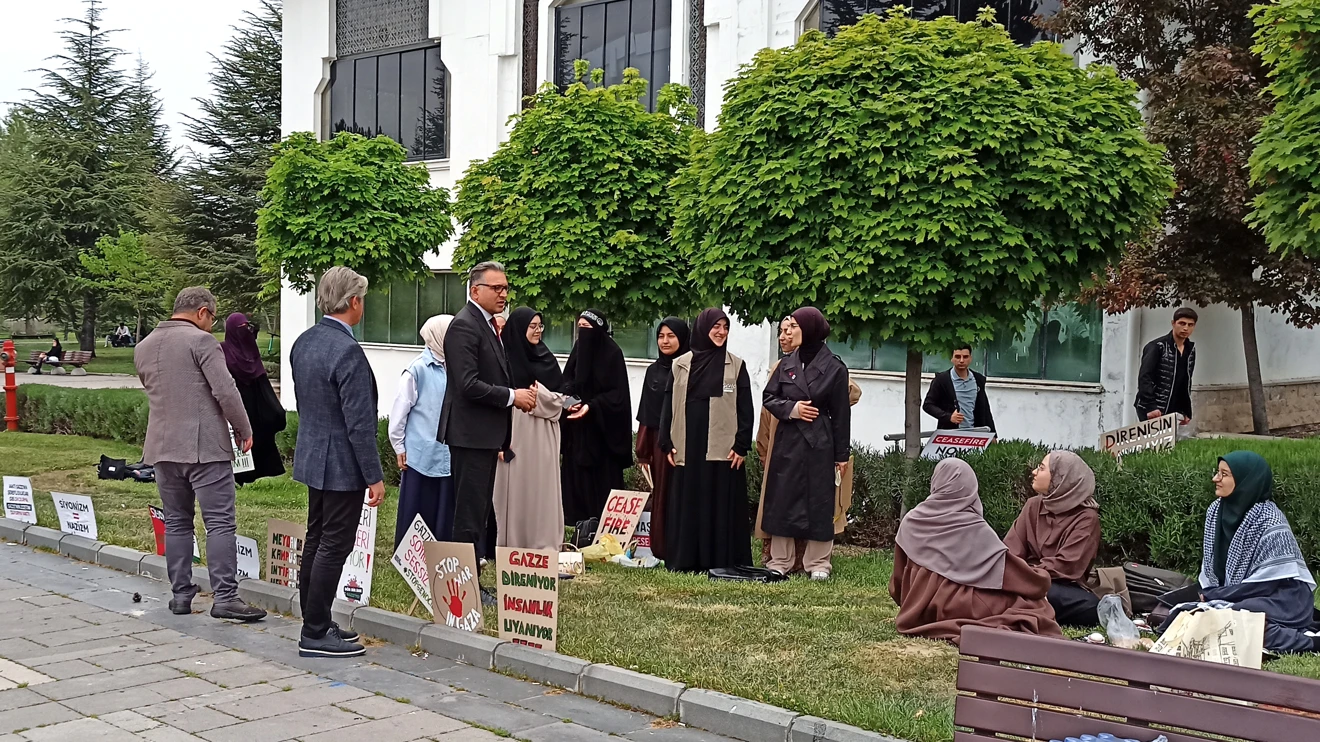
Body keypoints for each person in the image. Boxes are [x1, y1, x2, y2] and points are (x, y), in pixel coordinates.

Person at [135, 287, 266, 623]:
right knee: (219, 522)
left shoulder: (144, 346)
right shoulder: (201, 342)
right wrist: (244, 428)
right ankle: (225, 596)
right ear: (203, 311)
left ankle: (180, 594)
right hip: (204, 447)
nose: (213, 325)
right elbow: (225, 389)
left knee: (177, 521)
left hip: (162, 448)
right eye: (213, 318)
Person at [289, 267, 384, 658]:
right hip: (341, 461)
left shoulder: (304, 341)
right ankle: (314, 631)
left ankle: (317, 617)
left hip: (313, 453)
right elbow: (359, 424)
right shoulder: (347, 351)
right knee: (334, 543)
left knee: (317, 539)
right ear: (354, 302)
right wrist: (374, 476)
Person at [890, 458, 1063, 645]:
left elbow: (897, 583)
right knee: (1033, 607)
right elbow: (1010, 574)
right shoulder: (973, 528)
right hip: (959, 606)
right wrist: (1040, 580)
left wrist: (914, 601)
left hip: (918, 609)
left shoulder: (912, 521)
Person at [1160, 451, 1318, 653]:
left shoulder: (1270, 520)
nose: (1215, 479)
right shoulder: (1215, 511)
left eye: (1224, 474)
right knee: (1203, 617)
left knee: (1239, 621)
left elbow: (1267, 584)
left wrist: (1215, 595)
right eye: (1217, 472)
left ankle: (1311, 643)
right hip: (1240, 595)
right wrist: (1214, 594)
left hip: (1283, 598)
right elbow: (1212, 569)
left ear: (1246, 481)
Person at [438, 262, 537, 578]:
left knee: (478, 511)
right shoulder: (465, 325)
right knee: (469, 513)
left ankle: (470, 578)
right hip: (470, 435)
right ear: (475, 290)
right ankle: (462, 586)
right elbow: (467, 384)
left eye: (506, 288)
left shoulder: (488, 324)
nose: (503, 294)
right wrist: (512, 396)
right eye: (496, 288)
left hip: (485, 434)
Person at [756, 316, 862, 572]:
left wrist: (841, 455)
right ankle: (780, 561)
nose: (790, 331)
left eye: (795, 326)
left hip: (820, 441)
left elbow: (840, 415)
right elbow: (769, 397)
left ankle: (818, 563)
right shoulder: (786, 364)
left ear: (812, 329)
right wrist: (792, 409)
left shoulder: (836, 368)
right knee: (782, 498)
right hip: (787, 441)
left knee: (820, 500)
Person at [661, 308, 754, 573]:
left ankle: (721, 562)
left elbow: (745, 408)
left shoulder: (736, 365)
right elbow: (667, 405)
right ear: (703, 327)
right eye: (716, 326)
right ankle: (686, 560)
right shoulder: (681, 364)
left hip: (722, 449)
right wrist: (666, 442)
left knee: (718, 502)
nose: (721, 332)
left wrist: (741, 445)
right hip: (687, 445)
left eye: (725, 327)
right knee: (689, 501)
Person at [493, 308, 567, 550]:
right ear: (518, 329)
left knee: (542, 491)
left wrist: (541, 397)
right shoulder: (504, 360)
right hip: (515, 434)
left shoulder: (546, 358)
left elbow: (560, 399)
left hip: (544, 434)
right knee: (515, 491)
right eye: (532, 326)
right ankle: (514, 547)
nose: (537, 331)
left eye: (540, 326)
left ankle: (543, 545)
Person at [1004, 451, 1102, 626]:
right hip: (1022, 579)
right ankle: (1024, 603)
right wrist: (1014, 573)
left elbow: (1067, 566)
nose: (1034, 472)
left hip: (1056, 585)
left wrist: (1026, 575)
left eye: (1041, 468)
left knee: (1091, 607)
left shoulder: (1086, 517)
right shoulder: (1033, 505)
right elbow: (1012, 549)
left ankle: (1017, 603)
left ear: (1060, 478)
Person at [388, 315, 456, 549]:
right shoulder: (417, 370)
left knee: (444, 506)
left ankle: (440, 550)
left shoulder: (457, 366)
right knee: (418, 506)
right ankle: (410, 555)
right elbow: (399, 412)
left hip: (448, 453)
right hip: (421, 454)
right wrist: (399, 446)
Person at [560, 309, 634, 526]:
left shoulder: (612, 354)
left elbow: (617, 397)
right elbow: (567, 381)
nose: (583, 333)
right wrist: (570, 401)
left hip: (602, 439)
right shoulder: (577, 351)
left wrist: (592, 406)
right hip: (577, 435)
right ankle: (576, 530)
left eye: (588, 328)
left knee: (602, 488)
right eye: (580, 327)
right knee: (574, 484)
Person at [635, 318, 691, 560]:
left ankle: (687, 546)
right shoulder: (654, 371)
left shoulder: (692, 367)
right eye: (661, 336)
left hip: (688, 440)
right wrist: (643, 451)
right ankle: (662, 547)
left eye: (671, 336)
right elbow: (647, 413)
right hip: (661, 442)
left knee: (685, 493)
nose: (665, 341)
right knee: (663, 493)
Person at [220, 313, 286, 485]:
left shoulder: (251, 349)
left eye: (246, 327)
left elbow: (260, 376)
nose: (245, 332)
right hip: (235, 402)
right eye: (240, 328)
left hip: (255, 404)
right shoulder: (222, 351)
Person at [1135, 307, 1197, 426]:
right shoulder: (1157, 346)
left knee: (1170, 444)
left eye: (1190, 325)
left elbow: (1185, 381)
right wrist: (1151, 406)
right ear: (1173, 323)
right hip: (1153, 407)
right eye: (1182, 323)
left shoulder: (1190, 349)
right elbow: (1144, 377)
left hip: (1173, 407)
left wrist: (1186, 410)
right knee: (1152, 444)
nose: (1186, 328)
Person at [922, 345, 995, 432]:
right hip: (950, 433)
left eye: (965, 357)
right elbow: (928, 405)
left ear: (970, 358)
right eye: (957, 357)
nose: (961, 360)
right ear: (951, 358)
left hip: (976, 432)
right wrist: (948, 416)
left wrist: (993, 432)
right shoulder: (942, 380)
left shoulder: (978, 379)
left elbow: (985, 407)